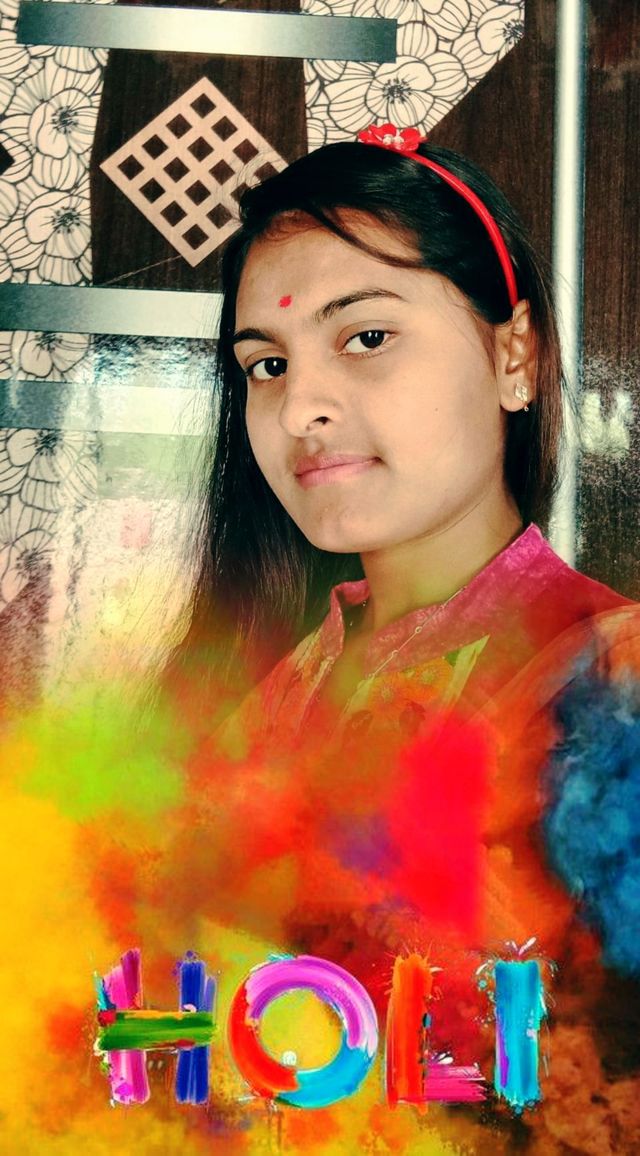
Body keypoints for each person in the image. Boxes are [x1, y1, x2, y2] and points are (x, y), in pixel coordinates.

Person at [166, 127, 640, 1153]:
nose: (300, 406)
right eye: (265, 365)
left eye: (366, 336)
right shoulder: (258, 697)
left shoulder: (613, 682)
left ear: (514, 356)